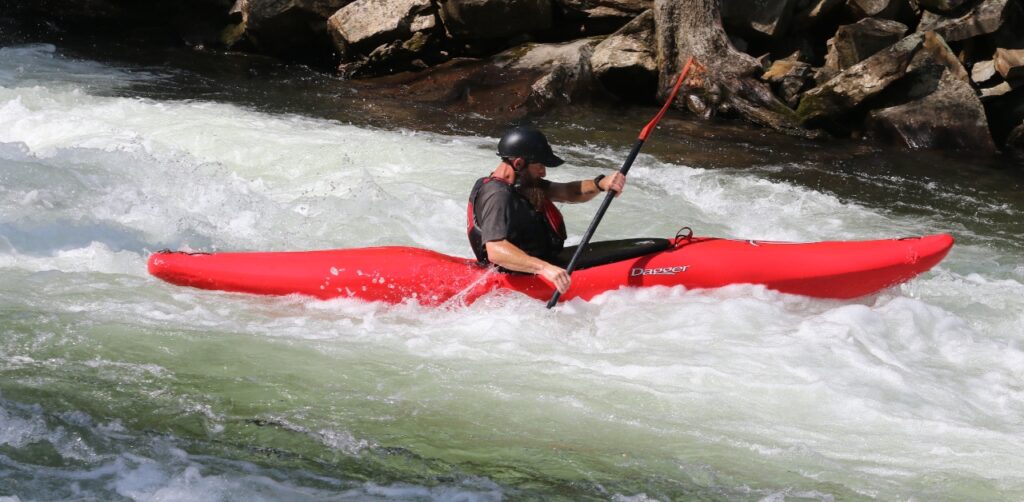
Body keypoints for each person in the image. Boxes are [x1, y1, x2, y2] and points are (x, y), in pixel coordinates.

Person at [467, 126, 626, 294]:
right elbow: (495, 250)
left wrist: (600, 184)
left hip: (535, 265)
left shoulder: (522, 184)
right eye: (540, 165)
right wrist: (544, 268)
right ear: (518, 163)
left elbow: (567, 192)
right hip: (519, 276)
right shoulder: (499, 195)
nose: (543, 172)